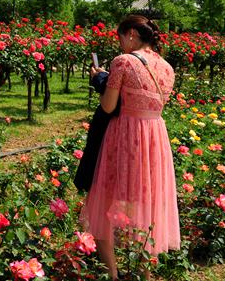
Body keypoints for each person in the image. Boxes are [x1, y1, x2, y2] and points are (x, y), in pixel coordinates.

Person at [81, 15, 179, 280]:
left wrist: (99, 80)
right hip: (154, 137)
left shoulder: (123, 62)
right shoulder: (168, 68)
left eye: (121, 37)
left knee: (105, 201)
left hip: (125, 136)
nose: (121, 43)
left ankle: (112, 274)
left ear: (132, 34)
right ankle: (145, 272)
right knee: (145, 204)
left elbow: (109, 106)